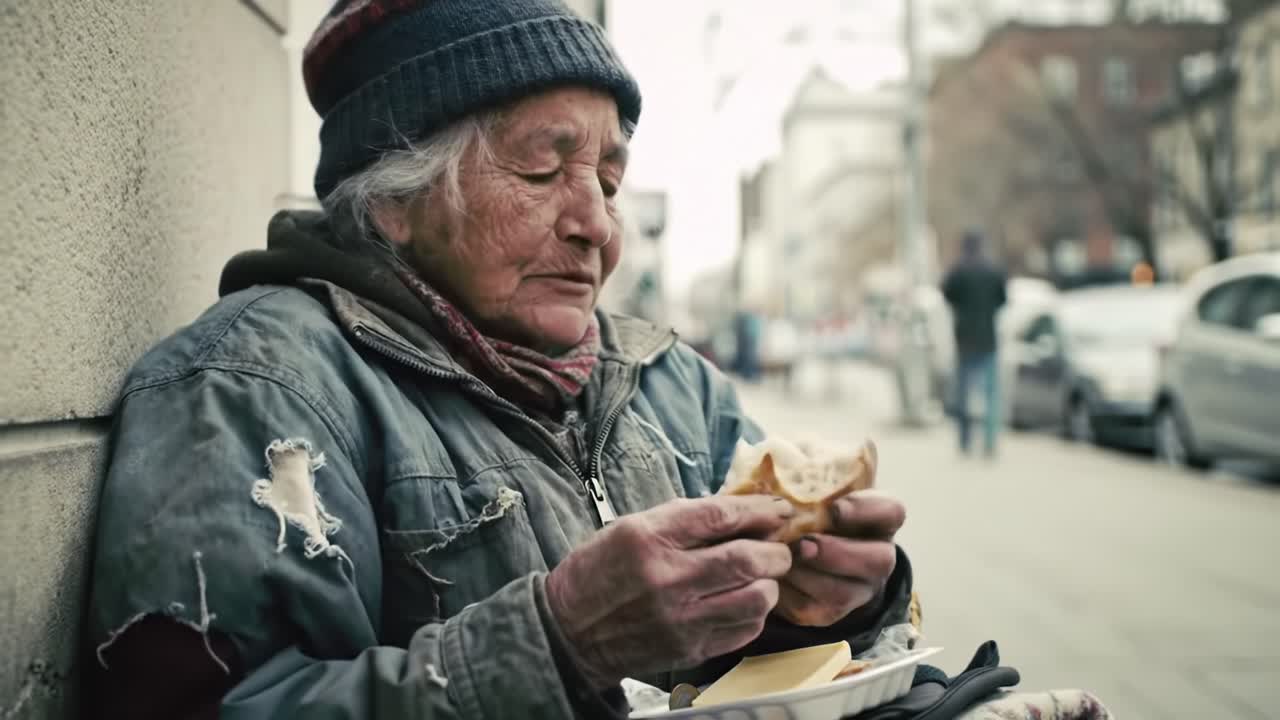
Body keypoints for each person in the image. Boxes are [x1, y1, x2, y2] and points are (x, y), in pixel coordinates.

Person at [82, 2, 912, 718]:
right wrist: (559, 644)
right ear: (395, 198)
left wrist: (832, 606)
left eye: (610, 182)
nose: (597, 225)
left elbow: (764, 670)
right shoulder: (255, 392)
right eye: (543, 170)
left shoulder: (670, 383)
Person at [942, 230, 1007, 458]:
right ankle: (989, 442)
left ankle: (965, 441)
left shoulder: (958, 271)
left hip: (964, 341)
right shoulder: (993, 271)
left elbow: (946, 294)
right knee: (990, 395)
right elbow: (1003, 299)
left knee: (963, 393)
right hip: (988, 340)